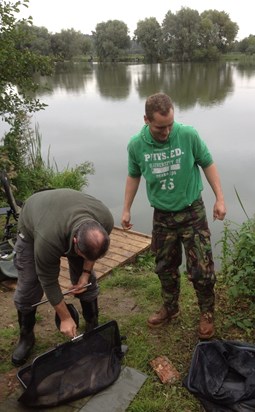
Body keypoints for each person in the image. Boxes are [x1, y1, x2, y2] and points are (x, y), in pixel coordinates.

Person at [121, 93, 226, 340]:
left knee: (202, 268)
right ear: (146, 119)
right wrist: (126, 208)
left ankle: (206, 313)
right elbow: (133, 175)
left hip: (192, 211)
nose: (167, 132)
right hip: (163, 215)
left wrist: (219, 198)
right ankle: (170, 307)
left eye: (170, 125)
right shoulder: (136, 145)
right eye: (160, 127)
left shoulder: (188, 135)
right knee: (165, 267)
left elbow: (208, 163)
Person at [12, 188, 114, 366]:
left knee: (87, 283)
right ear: (75, 241)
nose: (87, 259)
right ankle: (26, 337)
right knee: (29, 285)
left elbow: (92, 254)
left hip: (66, 215)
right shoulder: (48, 238)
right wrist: (65, 318)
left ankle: (93, 324)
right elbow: (48, 280)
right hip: (34, 222)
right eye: (83, 254)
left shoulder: (105, 219)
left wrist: (85, 274)